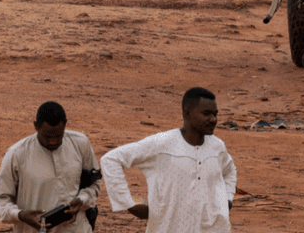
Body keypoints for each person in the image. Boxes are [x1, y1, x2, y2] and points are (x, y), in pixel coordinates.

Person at [101, 88, 237, 233]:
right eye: (206, 114)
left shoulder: (217, 146)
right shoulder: (162, 144)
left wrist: (227, 198)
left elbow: (230, 171)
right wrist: (129, 204)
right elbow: (111, 159)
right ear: (187, 113)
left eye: (215, 114)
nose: (213, 120)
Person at [0, 101, 102, 233]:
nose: (53, 141)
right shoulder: (17, 154)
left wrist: (82, 200)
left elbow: (94, 184)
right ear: (36, 126)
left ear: (65, 125)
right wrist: (19, 215)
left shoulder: (81, 144)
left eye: (58, 136)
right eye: (47, 136)